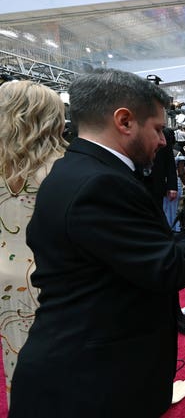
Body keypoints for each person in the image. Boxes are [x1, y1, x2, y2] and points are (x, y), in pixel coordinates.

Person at [9, 69, 185, 417]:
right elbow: (166, 267)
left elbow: (132, 252)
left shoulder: (77, 171)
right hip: (90, 385)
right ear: (125, 121)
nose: (164, 142)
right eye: (159, 129)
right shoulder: (100, 183)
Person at [0, 81, 68, 404]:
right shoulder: (61, 171)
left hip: (5, 278)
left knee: (17, 366)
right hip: (51, 279)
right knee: (60, 374)